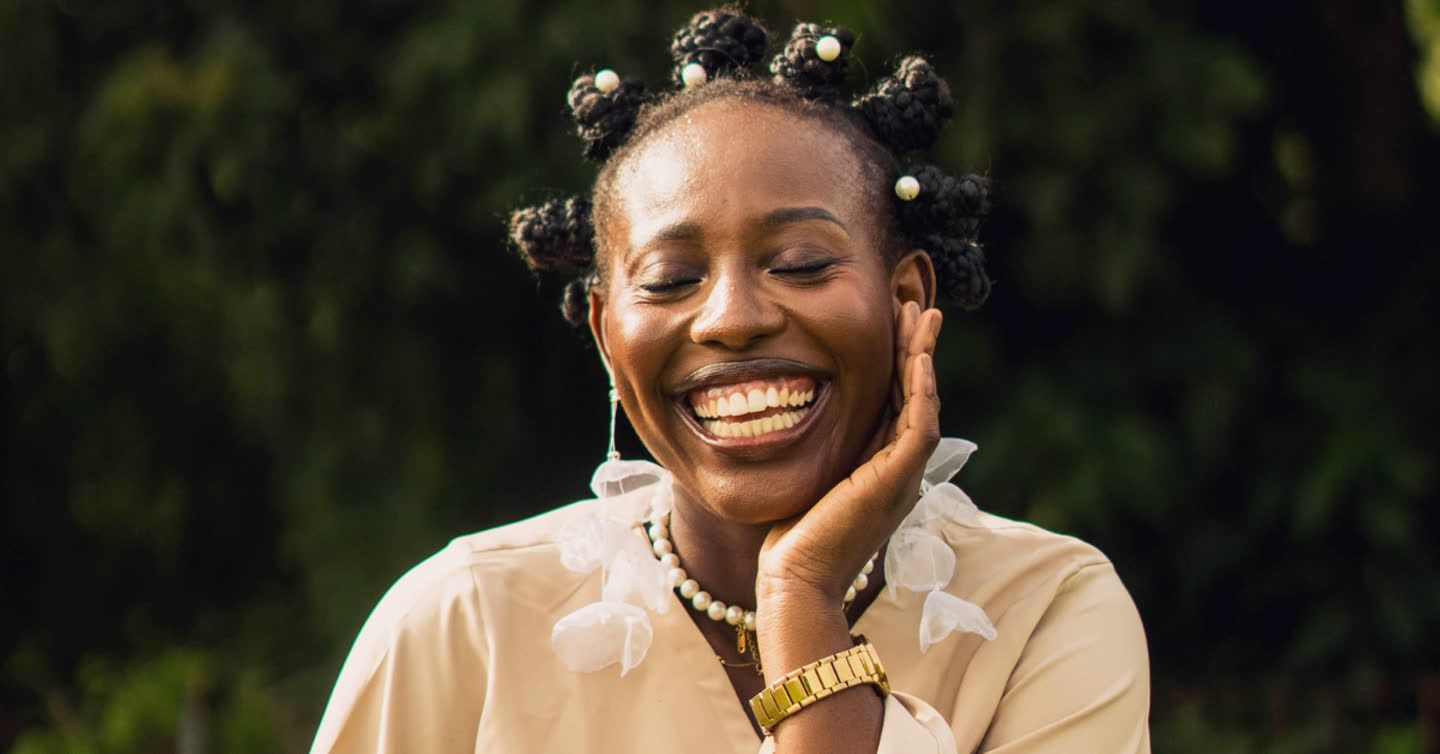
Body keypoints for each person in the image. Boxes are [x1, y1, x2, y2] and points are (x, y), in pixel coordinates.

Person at [310, 8, 1150, 753]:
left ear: (908, 300)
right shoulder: (463, 625)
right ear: (607, 336)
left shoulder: (1046, 612)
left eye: (800, 262)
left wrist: (802, 598)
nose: (732, 318)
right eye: (672, 279)